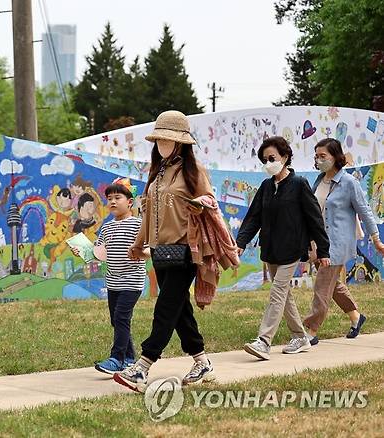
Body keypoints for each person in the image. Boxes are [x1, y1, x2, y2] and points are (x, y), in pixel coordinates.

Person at [113, 110, 217, 392]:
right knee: (179, 309)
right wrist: (138, 243)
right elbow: (148, 213)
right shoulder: (157, 174)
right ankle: (202, 361)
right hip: (159, 252)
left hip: (186, 250)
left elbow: (210, 199)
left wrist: (200, 203)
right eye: (158, 139)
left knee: (166, 307)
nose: (161, 145)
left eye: (166, 139)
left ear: (180, 142)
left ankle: (143, 366)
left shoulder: (192, 171)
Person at [236, 136, 331, 361]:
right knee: (285, 294)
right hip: (270, 250)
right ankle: (300, 336)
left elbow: (314, 219)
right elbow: (253, 218)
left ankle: (263, 341)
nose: (268, 162)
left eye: (272, 158)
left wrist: (323, 251)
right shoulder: (266, 186)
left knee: (277, 291)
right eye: (265, 159)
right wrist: (240, 243)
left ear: (285, 157)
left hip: (291, 249)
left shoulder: (299, 184)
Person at [304, 138, 384, 343]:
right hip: (318, 242)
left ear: (336, 157)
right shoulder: (320, 179)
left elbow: (365, 211)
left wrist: (376, 239)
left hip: (337, 243)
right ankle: (356, 317)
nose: (319, 160)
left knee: (322, 286)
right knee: (333, 284)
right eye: (316, 156)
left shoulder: (349, 182)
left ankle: (310, 331)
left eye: (323, 156)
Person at [71, 179, 146, 374]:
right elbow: (98, 253)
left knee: (121, 317)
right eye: (109, 198)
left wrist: (140, 253)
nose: (112, 201)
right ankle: (129, 359)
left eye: (117, 198)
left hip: (132, 281)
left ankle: (116, 358)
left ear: (130, 202)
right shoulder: (106, 228)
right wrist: (83, 252)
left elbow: (149, 250)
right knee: (117, 320)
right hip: (113, 282)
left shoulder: (139, 224)